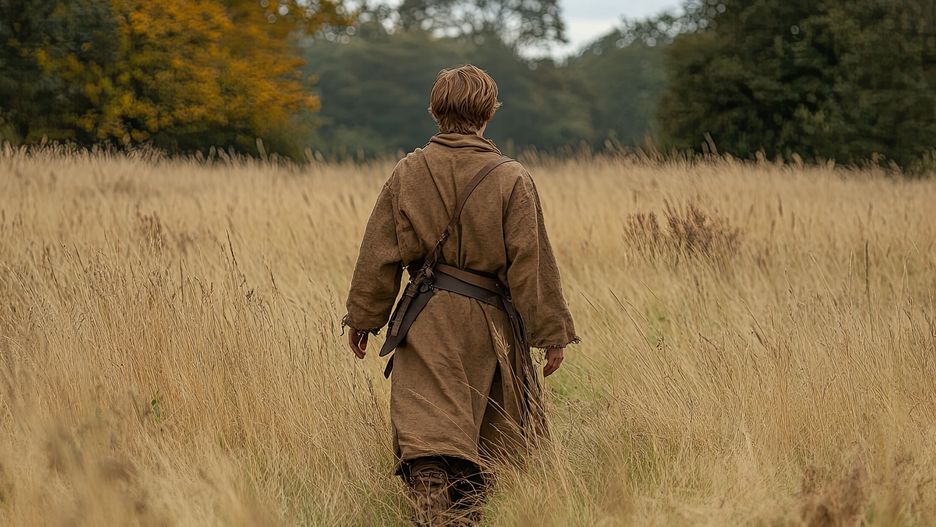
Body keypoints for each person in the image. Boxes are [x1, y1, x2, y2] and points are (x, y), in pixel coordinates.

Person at [342, 64, 578, 526]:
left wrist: (364, 319)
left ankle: (431, 498)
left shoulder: (408, 172)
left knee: (426, 429)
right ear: (488, 113)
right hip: (488, 328)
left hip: (425, 319)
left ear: (435, 111)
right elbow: (531, 265)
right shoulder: (512, 178)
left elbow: (379, 255)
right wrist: (551, 334)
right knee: (480, 436)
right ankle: (459, 513)